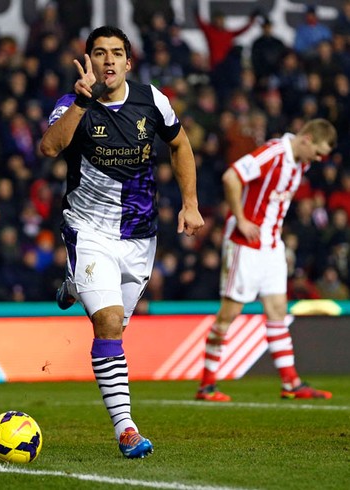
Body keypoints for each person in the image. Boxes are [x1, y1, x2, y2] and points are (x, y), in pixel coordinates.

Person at [39, 26, 204, 459]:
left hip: (139, 237)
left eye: (116, 54)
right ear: (89, 61)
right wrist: (81, 102)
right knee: (109, 324)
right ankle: (127, 430)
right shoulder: (71, 104)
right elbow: (50, 148)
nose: (108, 61)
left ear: (129, 63)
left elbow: (181, 144)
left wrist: (189, 203)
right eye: (99, 53)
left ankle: (74, 286)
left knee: (118, 329)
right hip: (88, 230)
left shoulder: (153, 101)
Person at [196, 118, 337, 402]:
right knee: (229, 315)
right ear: (307, 138)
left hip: (272, 245)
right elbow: (231, 177)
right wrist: (242, 219)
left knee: (277, 311)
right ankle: (207, 384)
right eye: (319, 152)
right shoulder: (274, 153)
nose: (320, 160)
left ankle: (291, 383)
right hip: (244, 244)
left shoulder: (301, 162)